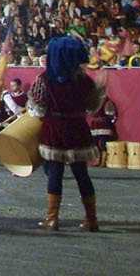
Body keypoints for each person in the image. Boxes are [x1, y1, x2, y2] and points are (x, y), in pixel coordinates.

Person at [26, 36, 103, 231]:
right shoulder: (84, 80)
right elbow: (92, 105)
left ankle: (52, 219)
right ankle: (91, 219)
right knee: (81, 173)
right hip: (77, 125)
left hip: (55, 126)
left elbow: (38, 107)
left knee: (55, 173)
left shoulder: (45, 79)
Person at [87, 91, 117, 167]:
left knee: (104, 144)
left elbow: (110, 113)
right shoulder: (93, 101)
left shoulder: (107, 101)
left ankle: (103, 161)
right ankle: (97, 160)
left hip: (104, 125)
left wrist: (110, 120)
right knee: (95, 144)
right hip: (95, 125)